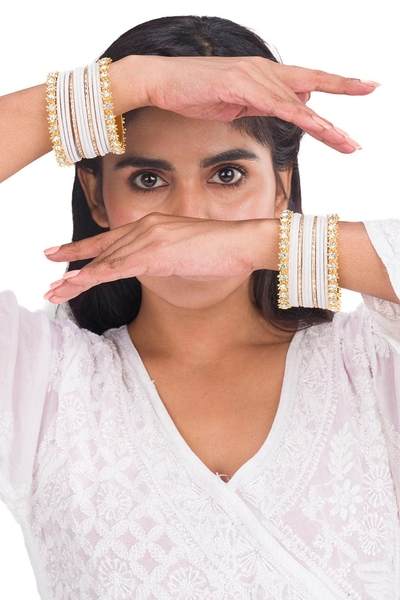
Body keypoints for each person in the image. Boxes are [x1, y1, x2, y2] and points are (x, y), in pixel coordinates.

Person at [0, 14, 399, 600]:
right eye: (147, 180)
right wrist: (130, 84)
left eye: (228, 174)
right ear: (97, 196)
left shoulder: (373, 367)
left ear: (282, 186)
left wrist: (257, 241)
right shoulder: (38, 382)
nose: (188, 216)